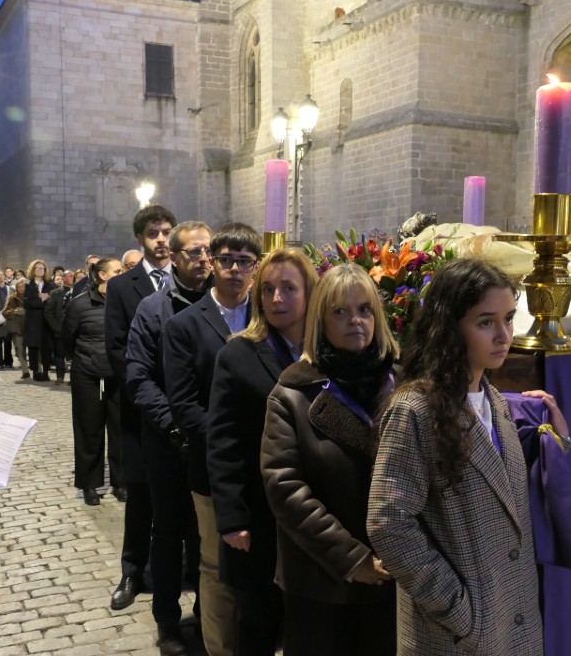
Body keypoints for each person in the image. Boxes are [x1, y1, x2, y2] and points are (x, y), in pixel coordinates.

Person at [367, 258, 571, 656]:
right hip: (454, 636)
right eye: (485, 322)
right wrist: (460, 611)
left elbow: (509, 502)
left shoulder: (494, 401)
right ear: (450, 328)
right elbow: (388, 524)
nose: (503, 335)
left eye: (509, 318)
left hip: (512, 622)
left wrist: (560, 442)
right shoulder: (414, 409)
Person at [261, 264, 400, 656]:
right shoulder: (291, 393)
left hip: (396, 574)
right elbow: (285, 488)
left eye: (364, 310)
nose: (354, 321)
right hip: (322, 580)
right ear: (320, 320)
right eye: (339, 312)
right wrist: (352, 559)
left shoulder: (404, 384)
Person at [207, 247, 317, 656]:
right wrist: (232, 518)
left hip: (313, 513)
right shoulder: (238, 353)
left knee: (306, 626)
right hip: (257, 514)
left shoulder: (329, 353)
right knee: (257, 623)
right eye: (268, 289)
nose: (276, 299)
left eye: (288, 288)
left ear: (310, 292)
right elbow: (223, 441)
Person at [164, 223, 262, 656]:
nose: (234, 270)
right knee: (216, 566)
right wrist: (231, 443)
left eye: (244, 261)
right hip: (212, 468)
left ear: (256, 268)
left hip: (269, 464)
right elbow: (184, 405)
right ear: (211, 263)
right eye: (226, 260)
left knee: (263, 560)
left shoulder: (271, 315)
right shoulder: (185, 325)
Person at [128, 220, 213, 655]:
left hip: (211, 443)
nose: (203, 259)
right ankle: (166, 620)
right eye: (194, 253)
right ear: (175, 259)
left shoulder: (226, 306)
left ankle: (205, 612)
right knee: (168, 534)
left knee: (207, 535)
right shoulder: (153, 309)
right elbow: (139, 377)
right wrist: (176, 425)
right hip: (167, 443)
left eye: (207, 251)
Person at [104, 203, 177, 611]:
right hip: (139, 410)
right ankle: (132, 569)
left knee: (181, 495)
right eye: (154, 233)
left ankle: (179, 567)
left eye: (167, 231)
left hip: (181, 408)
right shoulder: (122, 286)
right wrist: (148, 395)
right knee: (141, 496)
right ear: (140, 239)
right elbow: (117, 349)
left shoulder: (191, 281)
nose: (162, 239)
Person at [64, 257, 125, 505]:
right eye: (118, 271)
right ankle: (89, 485)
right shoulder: (80, 305)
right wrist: (85, 359)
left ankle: (121, 482)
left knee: (121, 431)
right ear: (103, 275)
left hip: (119, 376)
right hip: (88, 376)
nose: (123, 274)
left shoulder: (123, 302)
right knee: (89, 430)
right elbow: (67, 339)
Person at [24, 259, 54, 381]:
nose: (40, 270)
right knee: (33, 347)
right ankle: (36, 371)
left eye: (42, 268)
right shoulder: (28, 285)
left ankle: (46, 371)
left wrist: (47, 298)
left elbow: (53, 303)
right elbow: (27, 303)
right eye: (37, 268)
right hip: (33, 321)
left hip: (46, 321)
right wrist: (42, 299)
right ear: (32, 270)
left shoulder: (50, 285)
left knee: (46, 347)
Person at [46, 272, 72, 384]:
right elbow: (48, 312)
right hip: (60, 330)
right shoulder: (55, 293)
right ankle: (60, 377)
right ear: (64, 278)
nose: (72, 278)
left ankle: (73, 378)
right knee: (59, 355)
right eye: (70, 276)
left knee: (75, 356)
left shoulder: (80, 291)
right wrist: (56, 327)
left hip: (75, 330)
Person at [5, 279, 30, 379]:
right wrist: (14, 311)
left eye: (22, 286)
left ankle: (37, 369)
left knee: (33, 350)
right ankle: (25, 371)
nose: (21, 289)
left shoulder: (30, 297)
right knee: (19, 350)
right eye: (18, 287)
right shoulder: (12, 298)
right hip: (18, 328)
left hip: (29, 327)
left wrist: (26, 311)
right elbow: (5, 312)